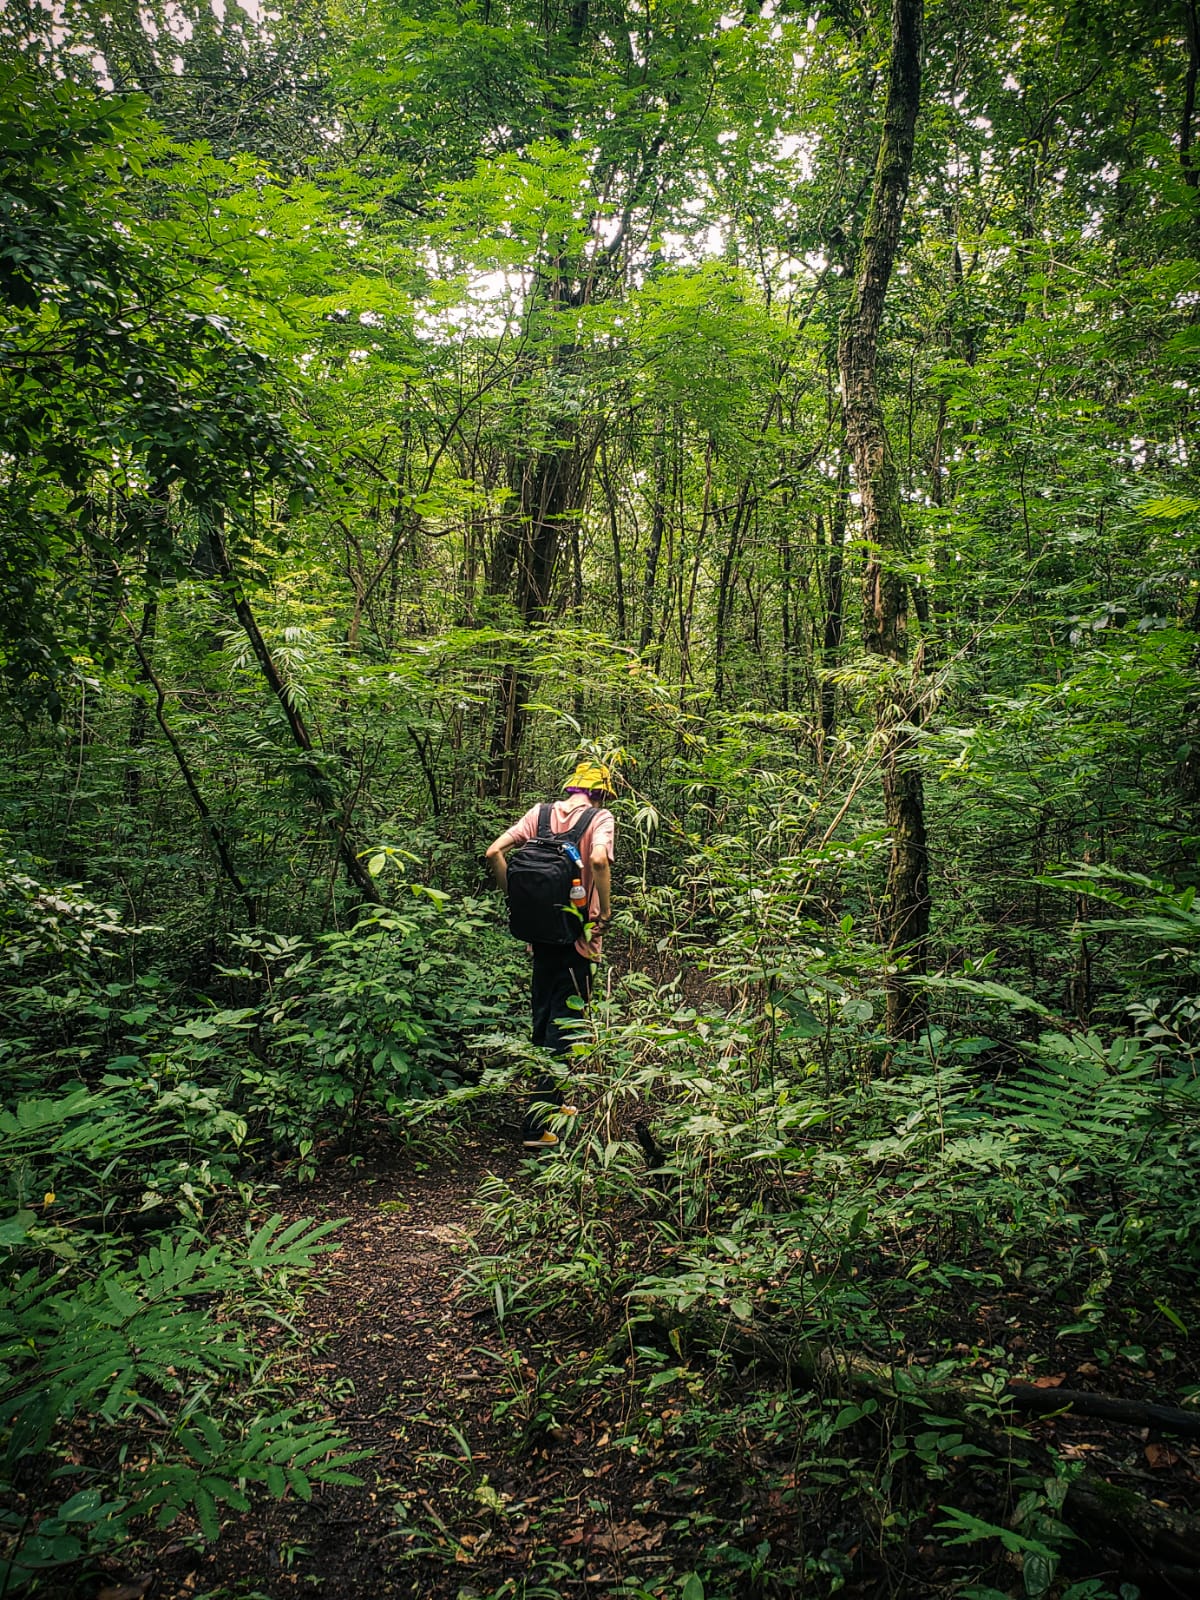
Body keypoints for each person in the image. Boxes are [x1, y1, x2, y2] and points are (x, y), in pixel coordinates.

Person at [486, 761, 616, 1149]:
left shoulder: (538, 814)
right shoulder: (601, 817)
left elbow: (494, 852)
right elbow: (597, 861)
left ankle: (553, 1106)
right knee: (567, 1024)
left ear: (572, 787)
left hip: (538, 935)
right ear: (601, 792)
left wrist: (518, 900)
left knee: (543, 1017)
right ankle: (535, 1126)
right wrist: (604, 912)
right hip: (578, 938)